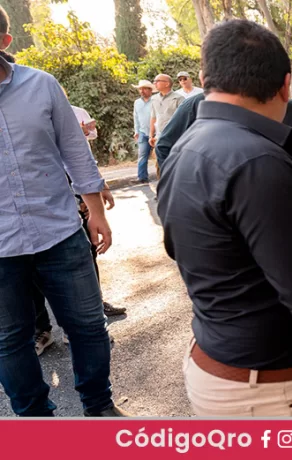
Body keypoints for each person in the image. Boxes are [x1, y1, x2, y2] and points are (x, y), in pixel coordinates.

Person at [157, 19, 292, 417]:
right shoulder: (259, 163)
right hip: (272, 395)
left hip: (222, 365)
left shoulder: (185, 148)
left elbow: (199, 252)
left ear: (207, 78)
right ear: (285, 85)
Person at [0, 6, 127, 417]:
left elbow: (75, 150)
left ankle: (98, 404)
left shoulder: (42, 85)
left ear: (4, 42)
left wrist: (96, 212)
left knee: (88, 326)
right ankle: (36, 420)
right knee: (8, 339)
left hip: (59, 231)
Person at [155, 78, 292, 184]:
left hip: (285, 211)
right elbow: (164, 147)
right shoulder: (197, 105)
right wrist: (184, 193)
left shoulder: (290, 109)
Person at [132, 79, 154, 183]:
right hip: (143, 132)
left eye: (144, 89)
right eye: (140, 89)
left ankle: (165, 176)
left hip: (156, 132)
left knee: (160, 155)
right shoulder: (137, 102)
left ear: (150, 90)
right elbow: (135, 117)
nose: (142, 91)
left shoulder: (156, 100)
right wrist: (136, 130)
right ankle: (142, 177)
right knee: (142, 156)